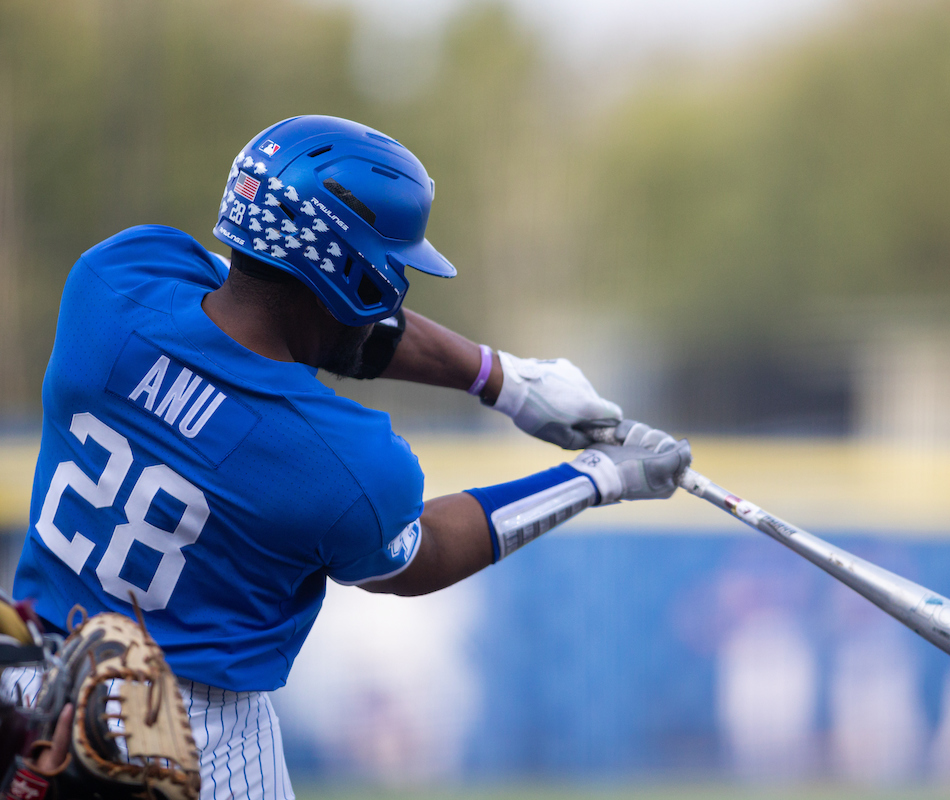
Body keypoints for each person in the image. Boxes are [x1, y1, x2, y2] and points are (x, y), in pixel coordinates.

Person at [8, 115, 691, 800]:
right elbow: (417, 558)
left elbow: (263, 293)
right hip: (193, 736)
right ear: (352, 277)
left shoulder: (113, 278)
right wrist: (599, 477)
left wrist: (503, 379)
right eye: (389, 269)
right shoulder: (343, 458)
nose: (393, 287)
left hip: (27, 694)